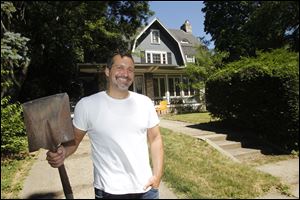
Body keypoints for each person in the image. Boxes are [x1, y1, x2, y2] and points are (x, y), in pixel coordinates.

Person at [46, 51, 164, 199]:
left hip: (146, 190)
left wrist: (157, 176)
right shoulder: (87, 105)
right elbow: (74, 141)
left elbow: (155, 139)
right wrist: (62, 153)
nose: (125, 73)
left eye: (130, 69)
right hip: (109, 191)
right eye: (120, 68)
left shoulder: (145, 103)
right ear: (107, 71)